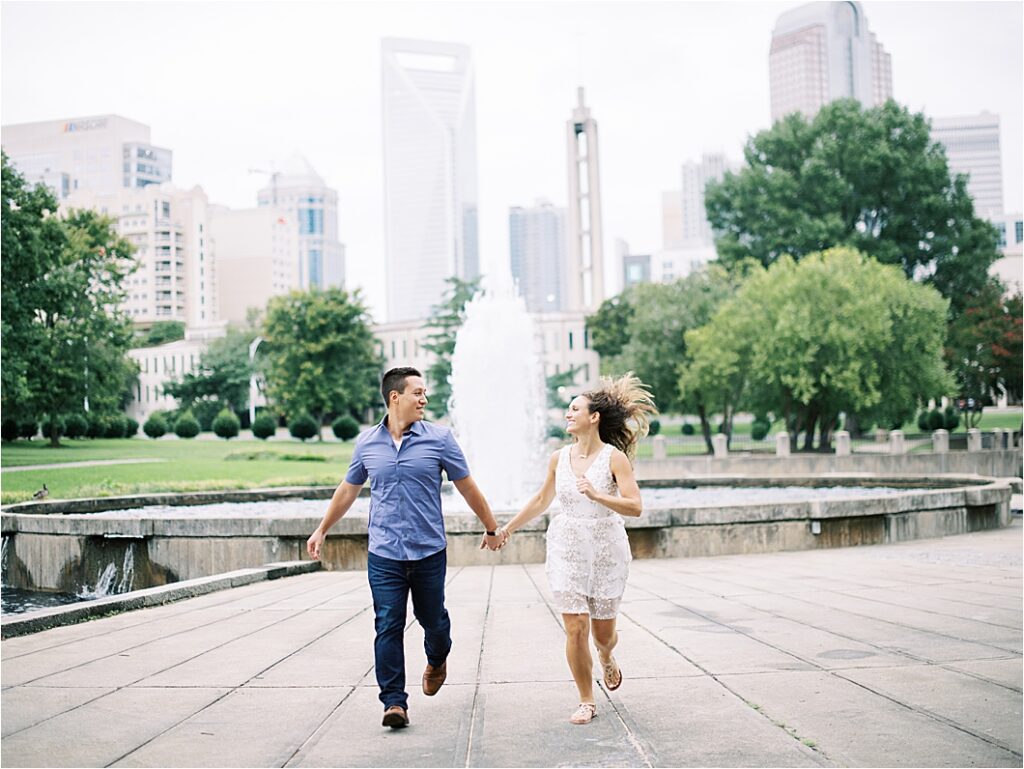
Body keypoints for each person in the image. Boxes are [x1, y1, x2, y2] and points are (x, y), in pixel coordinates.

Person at [307, 366, 505, 730]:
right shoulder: (367, 443)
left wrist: (492, 527)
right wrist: (322, 529)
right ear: (394, 397)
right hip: (384, 553)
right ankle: (394, 702)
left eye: (425, 393)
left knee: (434, 622)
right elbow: (347, 490)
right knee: (387, 625)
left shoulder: (440, 439)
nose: (424, 399)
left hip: (428, 551)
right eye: (418, 393)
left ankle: (437, 657)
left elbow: (467, 486)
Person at [494, 373, 656, 725]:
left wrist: (599, 495)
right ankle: (586, 700)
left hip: (605, 548)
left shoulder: (615, 459)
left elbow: (636, 506)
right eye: (568, 409)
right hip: (566, 545)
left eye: (574, 409)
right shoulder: (558, 458)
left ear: (593, 417)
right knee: (575, 626)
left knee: (602, 633)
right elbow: (541, 499)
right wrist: (505, 528)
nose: (568, 414)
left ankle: (607, 655)